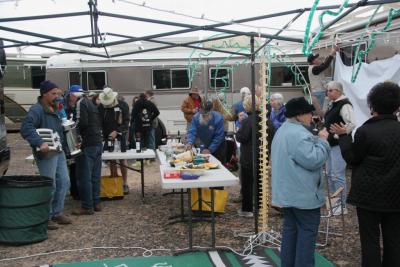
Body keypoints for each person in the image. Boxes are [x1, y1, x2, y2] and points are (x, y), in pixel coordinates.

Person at [330, 81, 400, 267]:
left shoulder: (366, 131)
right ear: (397, 107)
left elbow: (352, 159)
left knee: (370, 241)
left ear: (372, 106)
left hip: (368, 195)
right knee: (394, 240)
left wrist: (344, 137)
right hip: (396, 195)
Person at [271, 97, 330, 267]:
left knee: (290, 234)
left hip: (288, 194)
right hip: (304, 196)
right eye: (308, 113)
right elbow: (314, 160)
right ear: (298, 116)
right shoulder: (299, 134)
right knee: (306, 236)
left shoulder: (283, 130)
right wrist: (323, 142)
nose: (311, 116)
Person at [20, 80, 72, 230]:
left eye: (58, 93)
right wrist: (39, 142)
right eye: (53, 93)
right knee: (50, 185)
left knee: (64, 181)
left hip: (58, 150)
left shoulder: (55, 108)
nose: (57, 96)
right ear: (44, 94)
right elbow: (25, 128)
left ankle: (57, 212)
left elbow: (59, 130)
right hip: (46, 153)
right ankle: (46, 216)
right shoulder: (36, 110)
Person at [236, 95, 275, 217]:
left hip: (249, 157)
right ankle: (261, 208)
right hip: (263, 156)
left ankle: (247, 209)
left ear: (247, 106)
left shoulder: (248, 121)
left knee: (247, 184)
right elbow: (272, 136)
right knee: (261, 182)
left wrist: (238, 130)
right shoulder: (266, 120)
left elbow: (242, 137)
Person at [68, 86, 103, 215]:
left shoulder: (80, 103)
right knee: (95, 175)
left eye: (69, 96)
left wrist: (71, 132)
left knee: (84, 176)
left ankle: (87, 206)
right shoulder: (91, 103)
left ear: (73, 95)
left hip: (87, 143)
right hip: (97, 142)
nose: (69, 99)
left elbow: (80, 123)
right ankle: (96, 202)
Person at [324, 81, 355, 215]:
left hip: (339, 144)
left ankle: (341, 205)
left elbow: (352, 123)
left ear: (339, 91)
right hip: (330, 144)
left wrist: (339, 134)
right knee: (330, 174)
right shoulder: (333, 104)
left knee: (337, 175)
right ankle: (334, 203)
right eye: (328, 90)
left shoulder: (345, 104)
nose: (328, 93)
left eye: (331, 90)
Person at [98, 87, 130, 194]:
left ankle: (124, 183)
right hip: (107, 136)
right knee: (111, 159)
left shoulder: (122, 105)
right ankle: (114, 180)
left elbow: (126, 122)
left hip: (120, 135)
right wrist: (102, 133)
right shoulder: (101, 107)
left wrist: (117, 131)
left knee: (122, 159)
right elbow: (100, 122)